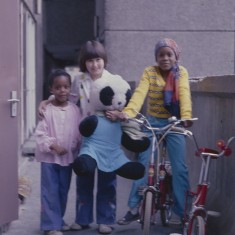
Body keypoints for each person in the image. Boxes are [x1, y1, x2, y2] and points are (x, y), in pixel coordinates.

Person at [106, 38, 192, 224]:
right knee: (143, 163)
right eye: (161, 54)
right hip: (151, 123)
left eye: (169, 54)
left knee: (180, 168)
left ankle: (183, 211)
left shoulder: (181, 73)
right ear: (156, 57)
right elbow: (139, 94)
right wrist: (128, 113)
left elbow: (184, 93)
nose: (165, 58)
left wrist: (186, 116)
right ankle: (134, 207)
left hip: (175, 124)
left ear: (176, 56)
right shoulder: (149, 72)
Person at [38, 40, 120, 234]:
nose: (94, 64)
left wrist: (120, 113)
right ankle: (83, 219)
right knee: (84, 178)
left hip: (108, 136)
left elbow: (123, 102)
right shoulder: (79, 80)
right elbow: (68, 99)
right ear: (84, 62)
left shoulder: (114, 80)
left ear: (104, 60)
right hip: (86, 138)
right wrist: (46, 101)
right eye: (89, 60)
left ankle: (106, 219)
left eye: (98, 59)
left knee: (107, 179)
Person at [35, 69, 82, 235]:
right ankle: (50, 226)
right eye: (58, 87)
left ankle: (58, 220)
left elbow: (78, 132)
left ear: (70, 89)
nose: (63, 90)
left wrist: (76, 146)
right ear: (51, 89)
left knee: (63, 191)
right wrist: (54, 146)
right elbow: (40, 134)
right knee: (50, 191)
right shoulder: (46, 111)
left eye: (66, 87)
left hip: (68, 159)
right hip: (49, 159)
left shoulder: (75, 110)